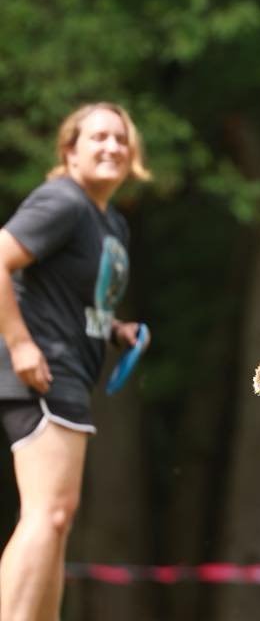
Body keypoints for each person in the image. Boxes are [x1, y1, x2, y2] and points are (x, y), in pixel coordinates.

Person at [0, 102, 151, 620]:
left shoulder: (109, 222)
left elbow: (75, 297)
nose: (112, 146)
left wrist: (115, 329)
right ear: (70, 151)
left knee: (57, 518)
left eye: (121, 138)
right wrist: (20, 343)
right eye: (98, 137)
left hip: (68, 372)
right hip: (42, 369)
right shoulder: (63, 200)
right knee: (47, 512)